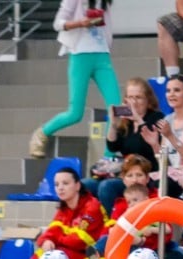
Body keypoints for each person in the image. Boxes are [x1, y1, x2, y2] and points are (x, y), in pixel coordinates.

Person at [29, 0, 121, 158]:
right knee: (75, 113)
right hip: (80, 55)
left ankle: (109, 155)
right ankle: (42, 133)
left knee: (116, 109)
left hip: (102, 55)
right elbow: (58, 23)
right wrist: (79, 23)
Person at [10, 167, 104, 259]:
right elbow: (49, 233)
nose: (60, 188)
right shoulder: (63, 210)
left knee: (57, 253)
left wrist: (57, 239)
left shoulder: (92, 206)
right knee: (46, 251)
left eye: (65, 183)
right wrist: (47, 241)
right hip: (72, 255)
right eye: (56, 184)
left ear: (77, 186)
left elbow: (80, 241)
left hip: (93, 257)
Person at [91, 77, 166, 214]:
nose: (134, 102)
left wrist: (138, 118)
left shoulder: (156, 117)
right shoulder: (126, 122)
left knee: (107, 187)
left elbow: (150, 144)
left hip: (147, 175)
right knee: (87, 185)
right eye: (130, 98)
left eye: (138, 97)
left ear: (147, 100)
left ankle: (118, 224)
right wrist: (113, 124)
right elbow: (113, 147)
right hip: (127, 174)